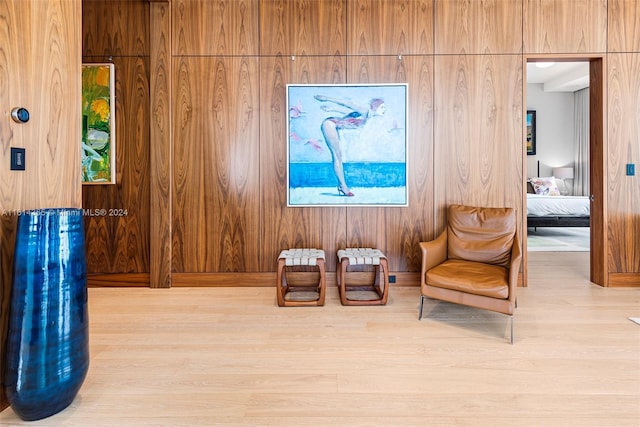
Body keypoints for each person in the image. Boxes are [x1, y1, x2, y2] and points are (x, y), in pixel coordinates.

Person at [314, 94, 386, 196]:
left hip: (335, 126)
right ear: (375, 107)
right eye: (382, 107)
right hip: (330, 124)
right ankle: (343, 187)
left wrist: (332, 109)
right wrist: (326, 98)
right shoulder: (364, 110)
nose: (384, 110)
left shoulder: (366, 116)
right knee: (337, 156)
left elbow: (346, 113)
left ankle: (342, 186)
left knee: (338, 156)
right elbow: (346, 103)